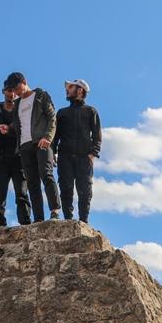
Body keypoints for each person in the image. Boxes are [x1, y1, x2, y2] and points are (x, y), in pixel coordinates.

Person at [3, 72, 60, 222]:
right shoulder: (17, 104)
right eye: (13, 90)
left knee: (46, 174)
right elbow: (19, 124)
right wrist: (8, 128)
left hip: (41, 142)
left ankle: (54, 211)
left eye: (17, 88)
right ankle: (38, 219)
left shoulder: (41, 96)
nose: (16, 92)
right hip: (24, 146)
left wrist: (48, 137)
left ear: (24, 81)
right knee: (32, 183)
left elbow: (52, 118)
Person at [52, 78, 101, 223]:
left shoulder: (91, 111)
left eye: (71, 87)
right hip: (64, 157)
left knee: (85, 191)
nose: (67, 90)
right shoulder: (62, 113)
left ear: (80, 90)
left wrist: (92, 154)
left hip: (84, 157)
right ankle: (68, 221)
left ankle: (83, 222)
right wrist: (53, 152)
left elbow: (97, 135)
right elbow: (55, 136)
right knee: (65, 189)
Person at [0, 83, 31, 227]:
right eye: (8, 91)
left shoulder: (22, 109)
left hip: (19, 157)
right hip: (0, 157)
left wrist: (10, 129)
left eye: (14, 91)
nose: (11, 94)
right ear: (3, 91)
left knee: (22, 192)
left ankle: (25, 222)